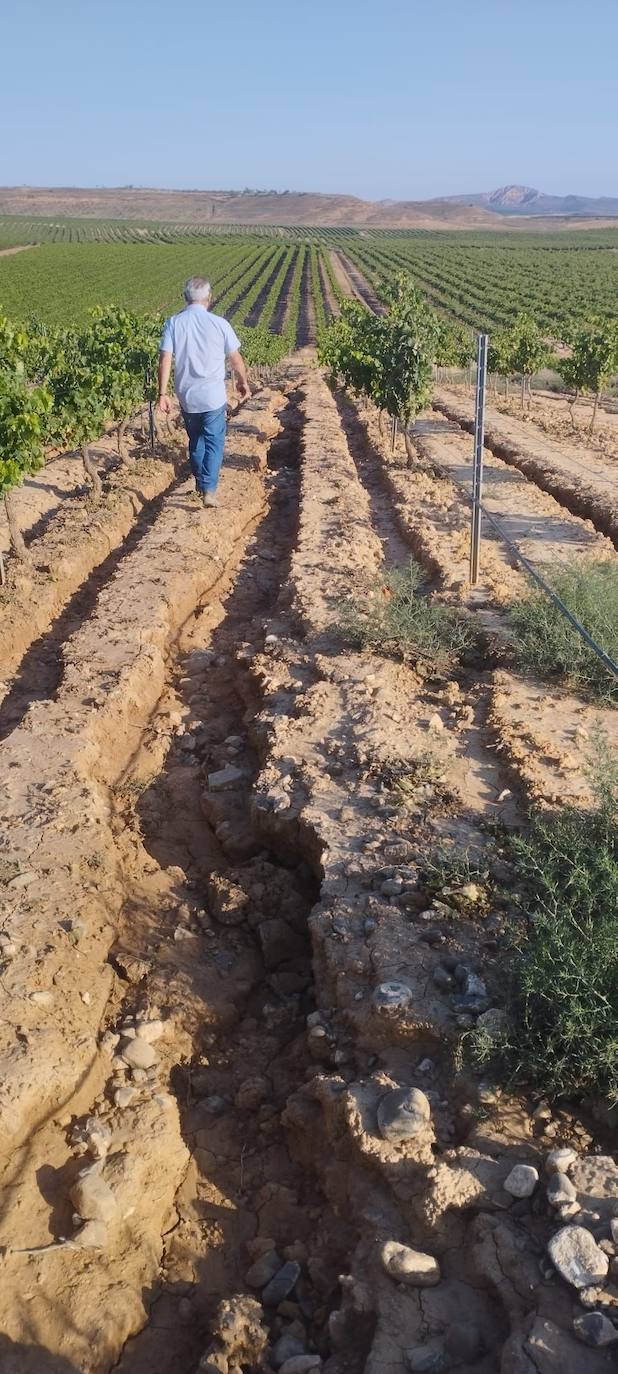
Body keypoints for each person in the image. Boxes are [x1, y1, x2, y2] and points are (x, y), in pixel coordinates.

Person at [157, 276, 250, 508]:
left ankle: (200, 484)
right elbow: (236, 359)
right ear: (209, 298)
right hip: (213, 396)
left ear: (185, 298)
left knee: (195, 440)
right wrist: (242, 381)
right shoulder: (220, 324)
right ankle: (208, 490)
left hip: (187, 396)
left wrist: (162, 392)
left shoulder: (173, 323)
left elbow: (165, 359)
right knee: (214, 442)